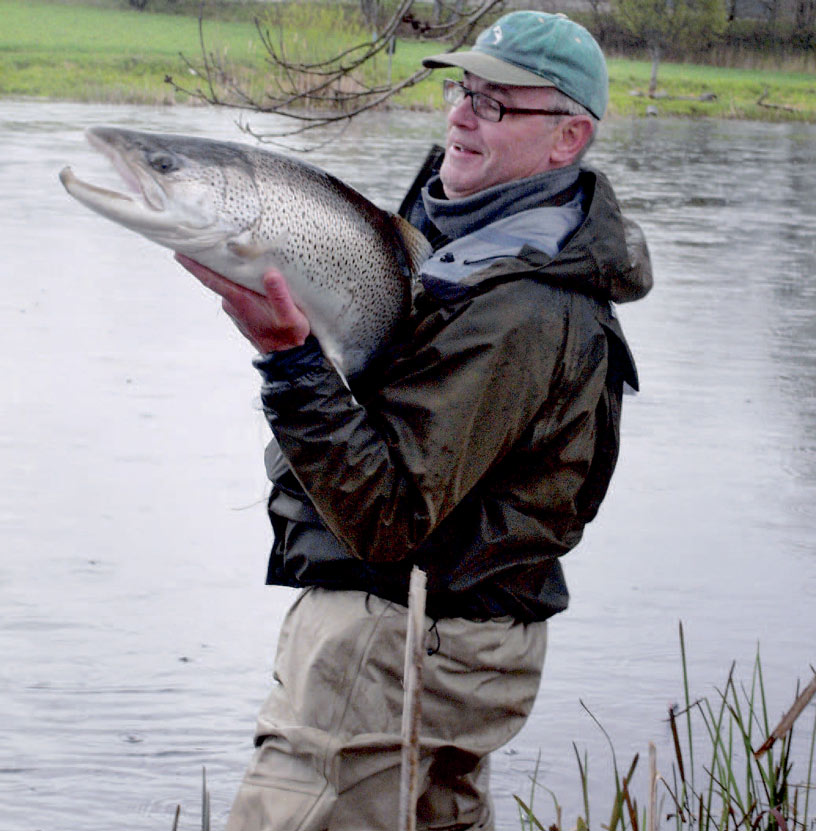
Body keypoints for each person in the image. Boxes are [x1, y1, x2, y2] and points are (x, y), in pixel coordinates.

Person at [176, 11, 652, 830]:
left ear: (568, 137)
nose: (463, 114)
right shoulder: (467, 244)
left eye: (498, 105)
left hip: (396, 648)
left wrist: (289, 358)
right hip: (428, 643)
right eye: (462, 91)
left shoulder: (523, 306)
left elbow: (389, 518)